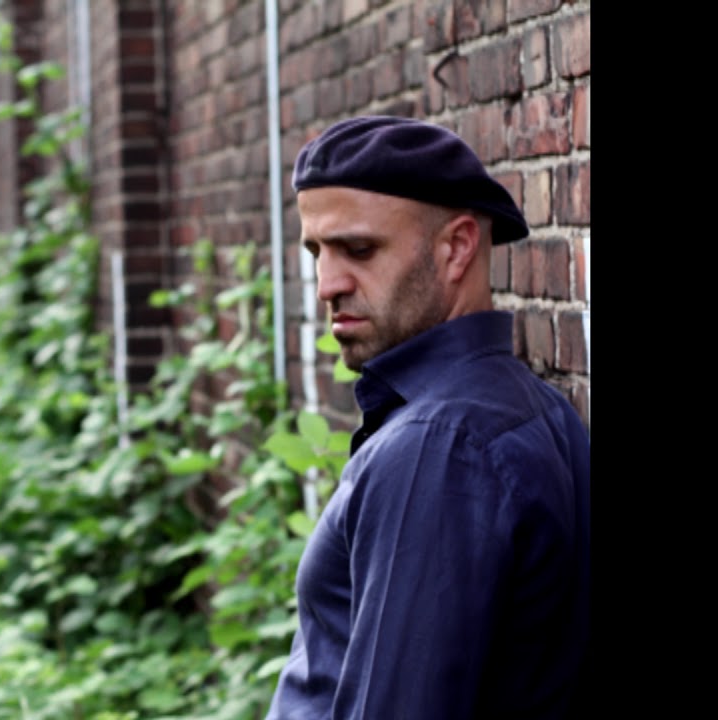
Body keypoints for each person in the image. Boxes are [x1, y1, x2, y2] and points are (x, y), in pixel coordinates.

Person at [265, 116, 590, 719]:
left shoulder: (440, 449)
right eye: (317, 252)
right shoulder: (526, 409)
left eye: (359, 250)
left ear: (457, 247)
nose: (327, 285)